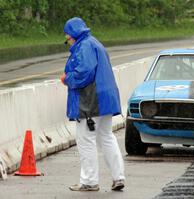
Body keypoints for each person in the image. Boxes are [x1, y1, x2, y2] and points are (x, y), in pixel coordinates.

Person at [60, 17, 125, 192]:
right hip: (106, 98)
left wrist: (68, 79)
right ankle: (118, 177)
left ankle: (89, 181)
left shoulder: (83, 47)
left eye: (68, 37)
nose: (68, 41)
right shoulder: (94, 42)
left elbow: (84, 72)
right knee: (106, 136)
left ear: (73, 34)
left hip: (91, 100)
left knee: (85, 139)